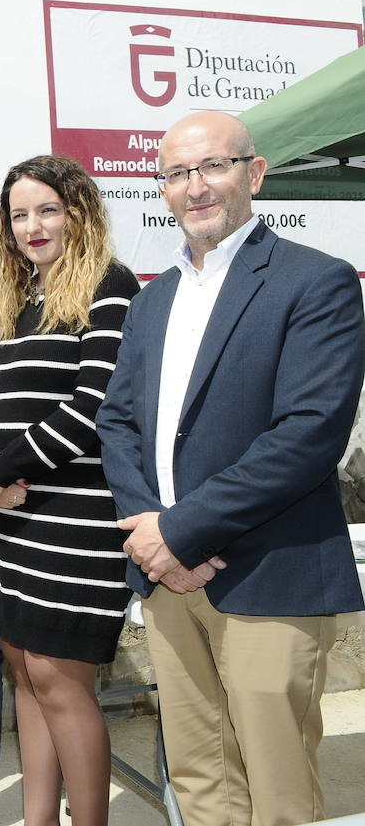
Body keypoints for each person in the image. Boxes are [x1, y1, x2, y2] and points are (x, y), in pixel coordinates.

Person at [96, 111, 365, 826]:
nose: (195, 186)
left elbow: (308, 436)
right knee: (201, 776)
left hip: (268, 574)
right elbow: (117, 421)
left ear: (255, 172)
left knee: (276, 791)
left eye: (212, 166)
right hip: (165, 578)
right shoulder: (151, 300)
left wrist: (180, 530)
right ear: (161, 189)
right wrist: (152, 535)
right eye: (177, 173)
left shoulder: (318, 282)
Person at [0, 155, 139, 826]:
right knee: (26, 674)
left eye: (47, 210)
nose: (32, 226)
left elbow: (96, 405)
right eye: (18, 215)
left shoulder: (109, 285)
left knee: (62, 682)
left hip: (77, 519)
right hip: (9, 521)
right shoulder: (14, 295)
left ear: (78, 211)